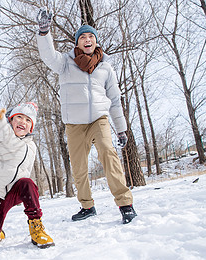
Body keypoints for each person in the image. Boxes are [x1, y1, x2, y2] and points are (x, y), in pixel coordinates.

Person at [35, 8, 137, 224]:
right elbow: (47, 56)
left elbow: (115, 99)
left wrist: (121, 128)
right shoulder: (65, 63)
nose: (87, 39)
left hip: (98, 119)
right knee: (79, 167)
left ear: (96, 41)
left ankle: (125, 203)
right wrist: (44, 33)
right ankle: (87, 206)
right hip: (74, 124)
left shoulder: (106, 68)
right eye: (82, 37)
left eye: (91, 36)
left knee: (108, 154)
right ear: (77, 43)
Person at [0, 102, 55, 249]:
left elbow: (26, 170)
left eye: (28, 120)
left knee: (28, 183)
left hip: (15, 190)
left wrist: (27, 195)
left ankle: (36, 227)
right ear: (11, 120)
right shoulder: (4, 135)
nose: (22, 122)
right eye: (19, 117)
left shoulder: (31, 146)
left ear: (31, 127)